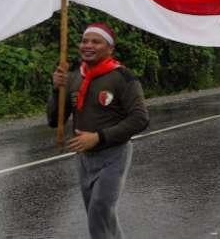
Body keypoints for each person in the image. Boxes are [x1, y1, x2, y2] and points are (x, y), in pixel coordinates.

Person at [48, 23, 149, 239]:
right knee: (103, 216)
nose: (88, 45)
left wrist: (98, 137)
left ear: (110, 48)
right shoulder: (74, 76)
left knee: (99, 211)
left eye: (96, 41)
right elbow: (53, 119)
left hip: (114, 155)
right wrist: (56, 90)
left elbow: (140, 119)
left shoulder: (123, 77)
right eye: (85, 41)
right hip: (83, 158)